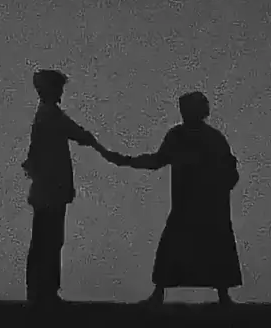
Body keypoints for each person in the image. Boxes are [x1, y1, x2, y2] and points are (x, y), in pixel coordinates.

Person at [103, 91, 242, 306]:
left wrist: (219, 187)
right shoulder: (180, 136)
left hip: (208, 205)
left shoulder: (209, 138)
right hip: (188, 203)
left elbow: (229, 169)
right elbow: (158, 160)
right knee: (179, 246)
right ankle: (163, 293)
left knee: (212, 246)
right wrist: (127, 161)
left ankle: (221, 295)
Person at [22, 69, 117, 306]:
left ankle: (40, 291)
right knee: (49, 240)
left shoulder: (46, 115)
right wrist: (103, 150)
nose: (61, 93)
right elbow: (79, 134)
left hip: (47, 189)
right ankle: (44, 292)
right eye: (59, 88)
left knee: (45, 240)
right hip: (51, 190)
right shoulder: (51, 116)